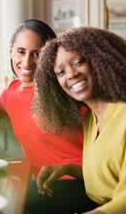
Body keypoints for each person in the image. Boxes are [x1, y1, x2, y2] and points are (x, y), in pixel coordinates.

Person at [0, 20, 93, 213]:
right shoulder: (10, 93)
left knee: (8, 199)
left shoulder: (68, 87)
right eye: (21, 51)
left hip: (85, 181)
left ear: (49, 55)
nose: (26, 62)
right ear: (10, 52)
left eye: (37, 53)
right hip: (45, 184)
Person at [33, 26, 126, 214]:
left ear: (99, 59)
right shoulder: (91, 118)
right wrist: (69, 168)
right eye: (60, 72)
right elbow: (108, 176)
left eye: (78, 62)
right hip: (94, 202)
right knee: (26, 197)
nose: (71, 74)